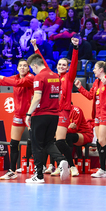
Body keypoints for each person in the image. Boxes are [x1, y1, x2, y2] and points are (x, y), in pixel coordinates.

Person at [24, 49, 69, 183]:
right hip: (54, 115)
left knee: (37, 145)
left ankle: (38, 176)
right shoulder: (55, 76)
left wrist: (28, 114)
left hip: (40, 115)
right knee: (49, 142)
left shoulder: (39, 77)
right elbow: (59, 96)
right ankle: (61, 160)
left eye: (32, 68)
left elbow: (37, 97)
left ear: (35, 65)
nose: (32, 71)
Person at [41, 36, 80, 176]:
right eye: (59, 64)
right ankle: (58, 166)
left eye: (64, 65)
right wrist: (35, 49)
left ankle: (72, 166)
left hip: (63, 111)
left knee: (60, 141)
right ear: (56, 66)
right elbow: (43, 65)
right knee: (51, 141)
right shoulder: (52, 77)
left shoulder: (69, 78)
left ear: (67, 67)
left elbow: (74, 63)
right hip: (51, 112)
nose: (62, 66)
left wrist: (75, 48)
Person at [75, 61, 106, 178]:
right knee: (99, 142)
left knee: (102, 141)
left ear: (101, 70)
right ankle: (103, 169)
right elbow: (90, 96)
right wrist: (80, 88)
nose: (93, 70)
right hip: (98, 115)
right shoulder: (96, 82)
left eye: (95, 68)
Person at [55, 104, 94, 176]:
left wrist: (61, 131)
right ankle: (57, 166)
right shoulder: (58, 111)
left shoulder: (76, 110)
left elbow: (74, 129)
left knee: (68, 137)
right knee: (56, 140)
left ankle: (72, 166)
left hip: (84, 134)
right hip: (69, 133)